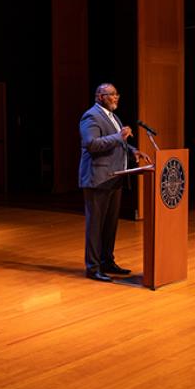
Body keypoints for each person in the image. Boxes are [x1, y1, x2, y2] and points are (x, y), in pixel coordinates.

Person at [79, 83, 151, 282]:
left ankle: (107, 262)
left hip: (114, 178)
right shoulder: (91, 116)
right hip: (98, 179)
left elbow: (120, 142)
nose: (116, 98)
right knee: (95, 225)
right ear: (100, 96)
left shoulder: (114, 117)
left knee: (110, 225)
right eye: (112, 95)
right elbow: (91, 144)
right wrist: (119, 137)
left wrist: (133, 150)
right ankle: (93, 268)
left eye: (117, 94)